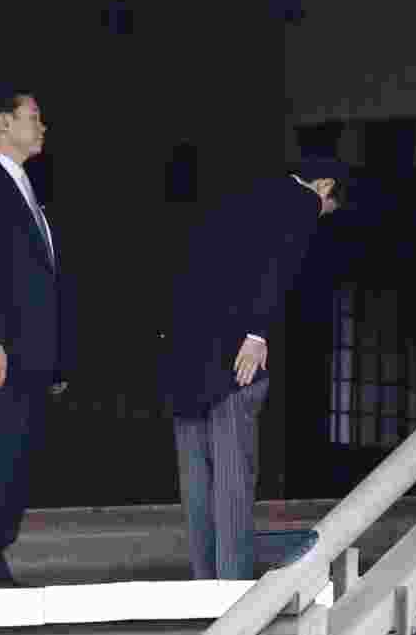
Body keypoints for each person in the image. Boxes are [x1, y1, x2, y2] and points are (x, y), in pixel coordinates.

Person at [159, 157, 348, 580]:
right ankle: (232, 585)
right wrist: (257, 334)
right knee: (232, 480)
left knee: (196, 483)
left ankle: (204, 581)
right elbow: (279, 268)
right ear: (325, 186)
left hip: (185, 354)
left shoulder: (240, 193)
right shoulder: (300, 202)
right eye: (328, 210)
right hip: (232, 360)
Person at [0, 89, 70, 586]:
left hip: (30, 355)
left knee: (16, 454)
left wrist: (54, 359)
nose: (42, 127)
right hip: (3, 351)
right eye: (33, 117)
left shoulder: (23, 185)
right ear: (3, 123)